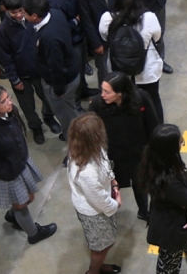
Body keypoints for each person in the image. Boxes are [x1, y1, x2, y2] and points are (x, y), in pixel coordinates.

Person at [0, 85, 57, 244]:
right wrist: (0, 172)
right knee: (22, 204)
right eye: (3, 101)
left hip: (20, 164)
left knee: (29, 197)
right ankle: (33, 234)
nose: (9, 103)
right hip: (8, 175)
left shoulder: (11, 113)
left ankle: (12, 215)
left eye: (8, 98)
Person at [137, 124, 187, 274]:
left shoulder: (155, 162)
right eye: (180, 142)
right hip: (172, 230)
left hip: (180, 221)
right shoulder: (171, 180)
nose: (182, 144)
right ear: (170, 150)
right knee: (169, 264)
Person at [89, 71, 160, 222]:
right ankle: (110, 211)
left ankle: (143, 211)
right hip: (112, 156)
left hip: (138, 154)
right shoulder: (97, 105)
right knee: (112, 187)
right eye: (102, 90)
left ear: (120, 93)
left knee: (140, 184)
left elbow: (153, 126)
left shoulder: (141, 99)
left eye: (107, 92)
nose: (102, 95)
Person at [0, 0, 59, 144]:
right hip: (21, 76)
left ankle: (49, 118)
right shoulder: (3, 30)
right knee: (28, 105)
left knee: (47, 98)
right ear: (6, 10)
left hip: (40, 71)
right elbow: (6, 58)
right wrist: (14, 79)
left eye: (20, 11)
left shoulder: (33, 20)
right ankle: (35, 126)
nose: (18, 15)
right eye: (13, 12)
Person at [99, 0, 164, 122]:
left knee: (123, 102)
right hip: (146, 70)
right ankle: (156, 129)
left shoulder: (106, 18)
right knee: (152, 100)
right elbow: (157, 37)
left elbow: (105, 37)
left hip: (118, 71)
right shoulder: (149, 17)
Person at [66, 113, 122, 274]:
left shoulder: (89, 148)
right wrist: (115, 203)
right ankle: (93, 271)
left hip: (100, 205)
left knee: (105, 242)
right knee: (102, 246)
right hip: (93, 211)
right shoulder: (86, 171)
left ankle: (98, 266)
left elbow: (105, 164)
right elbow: (97, 198)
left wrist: (113, 182)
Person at [22, 0, 81, 141]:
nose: (22, 15)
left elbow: (56, 67)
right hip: (70, 71)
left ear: (34, 16)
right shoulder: (55, 13)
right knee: (69, 111)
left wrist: (58, 90)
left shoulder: (49, 38)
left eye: (24, 12)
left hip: (62, 82)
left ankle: (75, 143)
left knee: (67, 116)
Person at [79, 0, 124, 85]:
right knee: (104, 70)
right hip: (99, 39)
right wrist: (96, 43)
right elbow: (86, 19)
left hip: (118, 35)